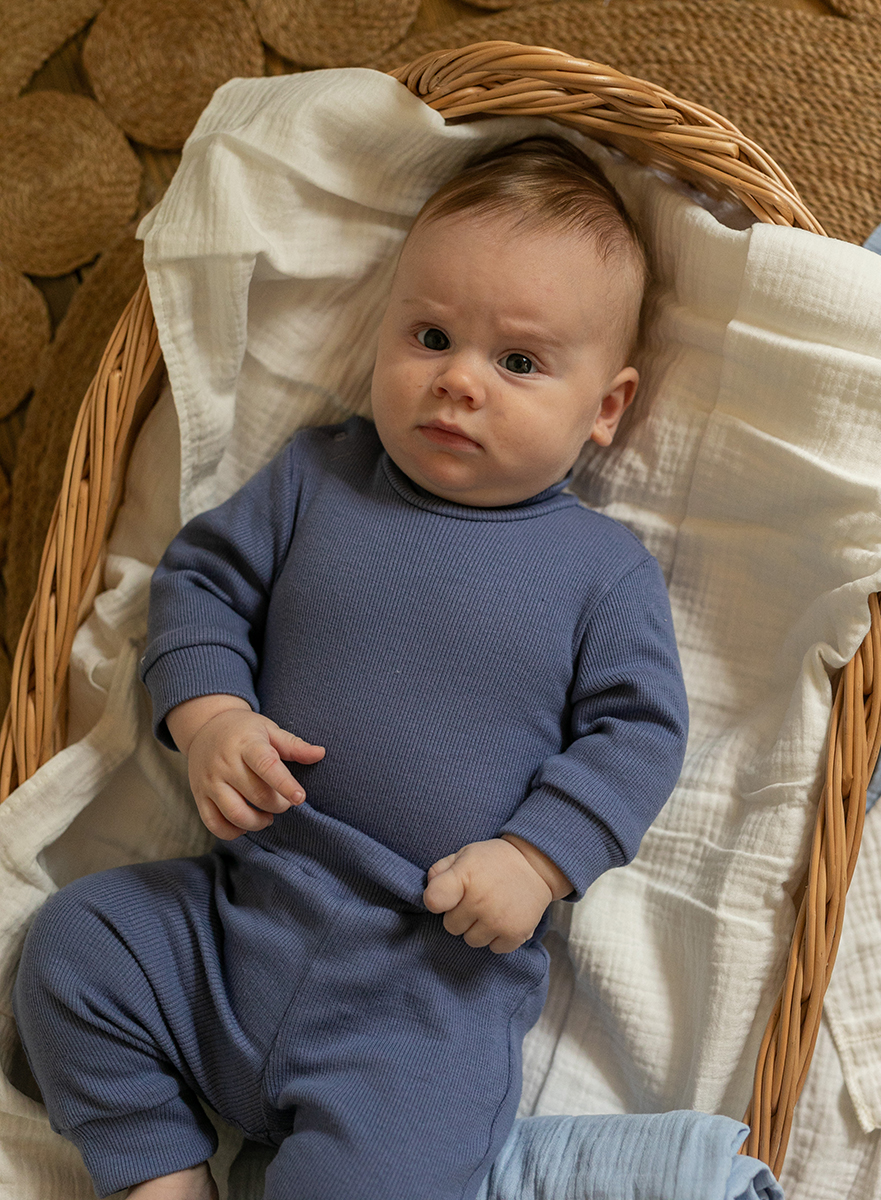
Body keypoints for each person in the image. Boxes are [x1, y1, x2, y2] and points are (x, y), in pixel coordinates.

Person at [13, 137, 689, 1200]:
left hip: (427, 989)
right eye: (430, 336)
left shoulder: (601, 573)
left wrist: (536, 858)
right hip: (236, 918)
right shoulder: (318, 478)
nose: (459, 380)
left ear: (605, 408)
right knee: (72, 949)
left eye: (518, 362)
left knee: (394, 1168)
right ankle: (157, 1171)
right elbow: (200, 583)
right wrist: (211, 719)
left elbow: (640, 732)